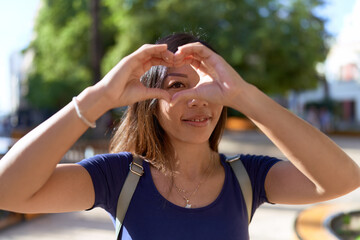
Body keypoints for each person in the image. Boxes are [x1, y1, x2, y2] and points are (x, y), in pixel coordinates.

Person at [0, 33, 359, 240]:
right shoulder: (118, 178)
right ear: (149, 102)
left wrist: (244, 96)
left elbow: (344, 178)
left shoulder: (247, 178)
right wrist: (99, 98)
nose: (197, 99)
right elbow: (9, 190)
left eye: (209, 86)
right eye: (177, 86)